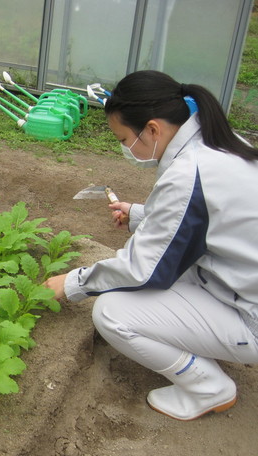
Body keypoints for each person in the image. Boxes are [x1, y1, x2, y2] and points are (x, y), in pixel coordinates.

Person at [44, 70, 258, 421]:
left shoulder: (188, 172)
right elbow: (202, 216)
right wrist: (140, 214)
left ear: (153, 129)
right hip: (243, 279)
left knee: (111, 312)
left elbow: (144, 270)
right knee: (167, 266)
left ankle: (208, 388)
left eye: (125, 138)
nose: (124, 147)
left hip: (251, 317)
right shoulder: (214, 139)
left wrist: (71, 283)